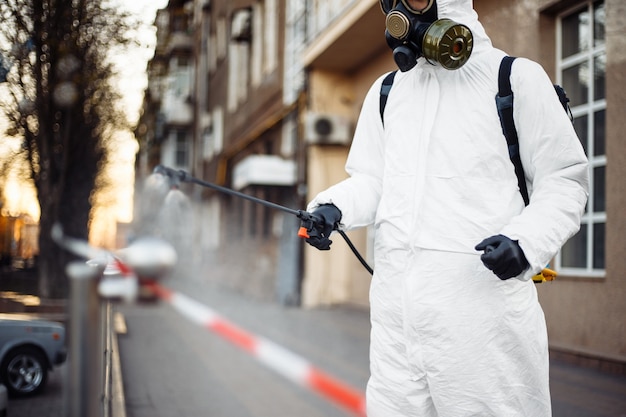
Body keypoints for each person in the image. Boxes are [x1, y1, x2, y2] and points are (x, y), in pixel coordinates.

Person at [303, 0, 589, 416]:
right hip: (395, 329)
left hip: (483, 329)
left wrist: (525, 243)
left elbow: (564, 181)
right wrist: (333, 207)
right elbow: (373, 179)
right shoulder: (387, 92)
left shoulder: (513, 79)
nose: (401, 7)